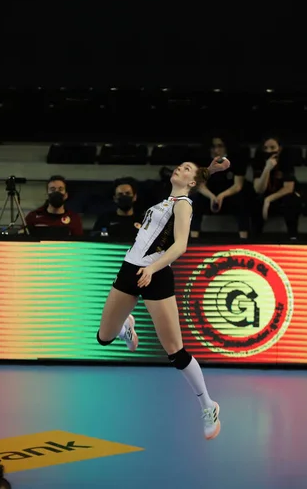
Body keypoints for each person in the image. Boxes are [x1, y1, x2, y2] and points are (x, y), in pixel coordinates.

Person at [96, 156, 230, 440]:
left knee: (176, 352)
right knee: (104, 337)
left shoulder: (184, 204)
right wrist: (211, 169)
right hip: (129, 269)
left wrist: (152, 267)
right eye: (180, 166)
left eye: (186, 169)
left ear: (191, 182)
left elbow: (180, 245)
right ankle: (126, 327)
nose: (179, 168)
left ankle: (208, 405)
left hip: (155, 274)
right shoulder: (163, 202)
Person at [191, 135, 250, 240]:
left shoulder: (236, 160)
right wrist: (211, 196)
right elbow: (200, 184)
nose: (216, 150)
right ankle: (193, 240)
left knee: (242, 200)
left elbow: (238, 185)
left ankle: (244, 239)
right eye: (213, 147)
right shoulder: (203, 160)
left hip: (229, 195)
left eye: (220, 146)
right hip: (209, 196)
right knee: (195, 199)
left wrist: (222, 195)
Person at [252, 136, 302, 239]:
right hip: (264, 194)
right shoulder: (259, 159)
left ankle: (293, 237)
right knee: (255, 201)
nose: (269, 151)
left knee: (291, 200)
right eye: (265, 148)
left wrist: (268, 200)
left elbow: (288, 188)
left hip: (281, 195)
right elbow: (259, 189)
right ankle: (255, 238)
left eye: (272, 147)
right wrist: (267, 169)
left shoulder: (286, 159)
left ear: (279, 148)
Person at [93, 177, 143, 242]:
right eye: (120, 194)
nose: (124, 196)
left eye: (127, 193)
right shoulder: (104, 220)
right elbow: (97, 241)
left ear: (134, 197)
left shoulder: (144, 220)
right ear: (115, 198)